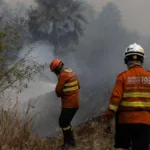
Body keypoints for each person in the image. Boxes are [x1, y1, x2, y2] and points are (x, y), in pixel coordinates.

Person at [103, 43, 150, 150]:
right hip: (144, 122)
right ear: (142, 59)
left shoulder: (122, 77)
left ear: (126, 59)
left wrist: (108, 116)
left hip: (125, 122)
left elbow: (116, 99)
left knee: (121, 147)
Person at [49, 58, 80, 150]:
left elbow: (58, 92)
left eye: (55, 71)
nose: (55, 73)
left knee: (63, 122)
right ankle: (72, 142)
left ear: (58, 68)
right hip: (75, 104)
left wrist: (60, 83)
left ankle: (68, 143)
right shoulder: (71, 73)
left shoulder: (63, 76)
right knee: (65, 122)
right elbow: (78, 85)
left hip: (68, 105)